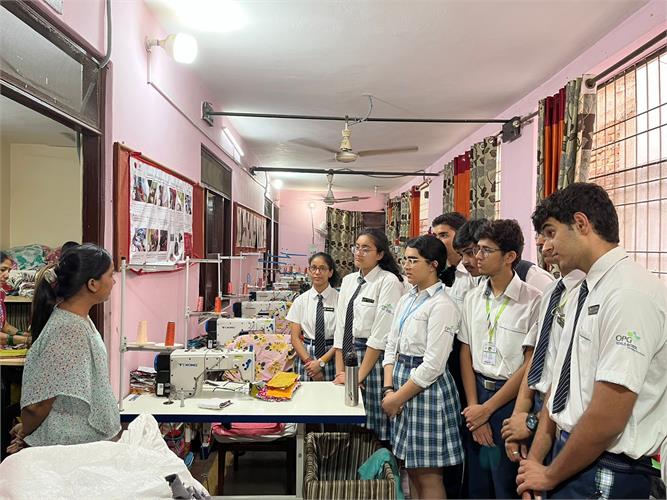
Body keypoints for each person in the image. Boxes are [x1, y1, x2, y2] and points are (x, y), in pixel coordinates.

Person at [516, 183, 667, 499]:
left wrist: (550, 475)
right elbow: (561, 387)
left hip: (609, 466)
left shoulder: (628, 295)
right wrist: (537, 462)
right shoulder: (584, 290)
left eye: (551, 233)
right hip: (572, 452)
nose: (544, 246)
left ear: (581, 223)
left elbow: (608, 416)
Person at [6, 244, 121, 453]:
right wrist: (26, 432)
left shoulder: (79, 320)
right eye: (110, 275)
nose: (114, 281)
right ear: (92, 284)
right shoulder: (68, 329)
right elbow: (38, 405)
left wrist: (26, 430)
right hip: (68, 447)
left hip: (77, 441)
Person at [458, 219, 542, 498]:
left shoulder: (533, 300)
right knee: (478, 487)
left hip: (511, 401)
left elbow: (529, 364)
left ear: (509, 256)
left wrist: (488, 409)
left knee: (506, 485)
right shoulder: (472, 297)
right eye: (477, 249)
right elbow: (466, 351)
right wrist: (475, 409)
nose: (477, 257)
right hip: (477, 395)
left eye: (486, 250)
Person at [382, 235, 463, 499]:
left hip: (426, 391)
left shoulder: (443, 304)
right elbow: (391, 344)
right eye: (405, 259)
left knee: (429, 476)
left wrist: (397, 398)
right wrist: (388, 389)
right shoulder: (408, 298)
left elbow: (433, 365)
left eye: (413, 260)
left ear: (433, 265)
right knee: (412, 471)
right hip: (401, 385)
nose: (406, 265)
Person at [501, 232, 585, 462]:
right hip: (538, 406)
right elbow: (536, 357)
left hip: (562, 419)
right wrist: (519, 417)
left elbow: (567, 377)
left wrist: (532, 421)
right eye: (540, 235)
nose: (540, 243)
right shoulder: (553, 290)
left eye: (550, 232)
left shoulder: (592, 296)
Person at [333, 229, 404, 442]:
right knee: (348, 421)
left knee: (373, 425)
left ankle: (377, 461)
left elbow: (380, 336)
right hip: (348, 355)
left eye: (366, 249)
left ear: (380, 254)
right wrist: (340, 372)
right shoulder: (348, 280)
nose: (358, 253)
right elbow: (341, 327)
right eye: (356, 247)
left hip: (373, 360)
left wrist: (358, 377)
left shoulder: (388, 281)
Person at [287, 252, 340, 382]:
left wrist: (320, 363)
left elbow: (343, 336)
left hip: (333, 354)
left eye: (322, 268)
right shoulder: (300, 301)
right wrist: (310, 364)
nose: (317, 272)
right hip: (306, 357)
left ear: (330, 272)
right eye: (313, 268)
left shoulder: (340, 300)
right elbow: (295, 338)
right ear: (309, 271)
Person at [432, 212, 477, 308]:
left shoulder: (473, 272)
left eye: (443, 235)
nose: (437, 241)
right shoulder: (436, 270)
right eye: (435, 236)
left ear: (459, 235)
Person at [0, 252, 32, 347]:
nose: (7, 276)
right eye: (2, 270)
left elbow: (4, 326)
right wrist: (25, 340)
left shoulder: (1, 294)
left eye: (9, 271)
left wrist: (23, 334)